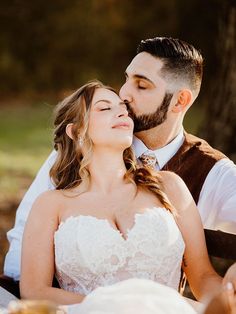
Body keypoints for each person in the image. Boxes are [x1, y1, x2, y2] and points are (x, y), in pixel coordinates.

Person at [2, 36, 236, 283]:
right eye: (127, 79)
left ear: (180, 100)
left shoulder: (214, 172)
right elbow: (25, 233)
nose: (124, 94)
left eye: (142, 86)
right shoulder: (87, 146)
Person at [19, 81, 222, 305]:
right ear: (76, 130)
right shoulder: (51, 204)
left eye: (124, 108)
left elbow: (203, 277)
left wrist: (228, 295)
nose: (122, 113)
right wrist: (116, 307)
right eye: (105, 108)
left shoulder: (169, 187)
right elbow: (35, 291)